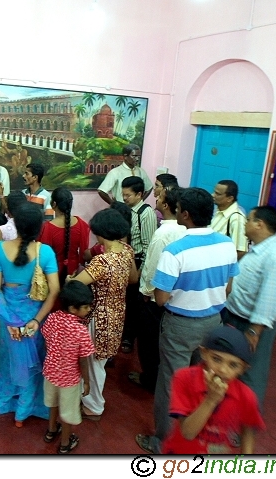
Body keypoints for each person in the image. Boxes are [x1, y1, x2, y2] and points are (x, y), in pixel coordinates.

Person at [137, 187, 239, 454]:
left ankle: (164, 442)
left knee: (172, 383)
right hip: (214, 322)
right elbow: (228, 288)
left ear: (185, 214)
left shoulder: (175, 251)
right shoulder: (226, 244)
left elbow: (160, 298)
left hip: (181, 325)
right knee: (203, 380)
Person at [137, 326, 265, 455]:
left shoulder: (246, 395)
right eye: (216, 359)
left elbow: (248, 429)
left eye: (233, 365)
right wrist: (210, 400)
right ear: (204, 353)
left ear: (243, 369)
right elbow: (188, 432)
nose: (223, 370)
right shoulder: (184, 378)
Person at [0, 204, 60, 426]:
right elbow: (55, 290)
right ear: (40, 227)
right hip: (34, 320)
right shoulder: (45, 252)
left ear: (15, 225)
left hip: (8, 320)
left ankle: (5, 404)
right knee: (33, 364)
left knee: (7, 361)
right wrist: (36, 321)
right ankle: (24, 411)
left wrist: (9, 320)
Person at [222, 206, 276, 408]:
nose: (245, 224)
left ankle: (244, 426)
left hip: (253, 326)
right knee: (231, 368)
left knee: (250, 374)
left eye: (249, 220)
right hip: (235, 318)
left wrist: (255, 331)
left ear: (259, 224)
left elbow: (269, 299)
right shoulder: (257, 250)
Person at [70, 208, 138, 420]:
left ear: (100, 233)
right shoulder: (126, 251)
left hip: (98, 317)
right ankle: (90, 399)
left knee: (92, 362)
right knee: (100, 360)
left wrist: (69, 278)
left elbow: (76, 285)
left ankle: (93, 405)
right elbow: (134, 279)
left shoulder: (102, 262)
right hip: (117, 313)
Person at [130, 184, 186, 392]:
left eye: (160, 196)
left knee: (148, 341)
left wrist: (145, 293)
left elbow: (151, 268)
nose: (156, 198)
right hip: (173, 296)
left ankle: (150, 379)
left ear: (168, 205)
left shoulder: (163, 233)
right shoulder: (184, 230)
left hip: (153, 298)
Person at [41, 280, 94, 454]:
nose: (88, 310)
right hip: (69, 379)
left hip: (50, 372)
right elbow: (84, 359)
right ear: (73, 308)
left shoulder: (52, 318)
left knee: (53, 404)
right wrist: (86, 381)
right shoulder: (80, 331)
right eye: (85, 307)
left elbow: (46, 338)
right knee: (67, 413)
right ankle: (65, 443)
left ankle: (50, 431)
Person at [120, 176, 156, 355]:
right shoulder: (126, 210)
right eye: (123, 194)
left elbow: (149, 244)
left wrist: (141, 271)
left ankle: (129, 336)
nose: (124, 198)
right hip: (126, 259)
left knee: (133, 303)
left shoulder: (145, 213)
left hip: (138, 261)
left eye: (128, 195)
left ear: (139, 194)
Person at [39, 187, 90, 285]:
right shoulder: (81, 224)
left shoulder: (47, 228)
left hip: (52, 273)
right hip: (75, 273)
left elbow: (43, 257)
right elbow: (83, 252)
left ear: (53, 204)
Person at [211, 179, 248, 260]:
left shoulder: (237, 219)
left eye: (217, 194)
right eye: (214, 192)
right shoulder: (217, 211)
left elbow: (241, 251)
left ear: (230, 198)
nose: (213, 195)